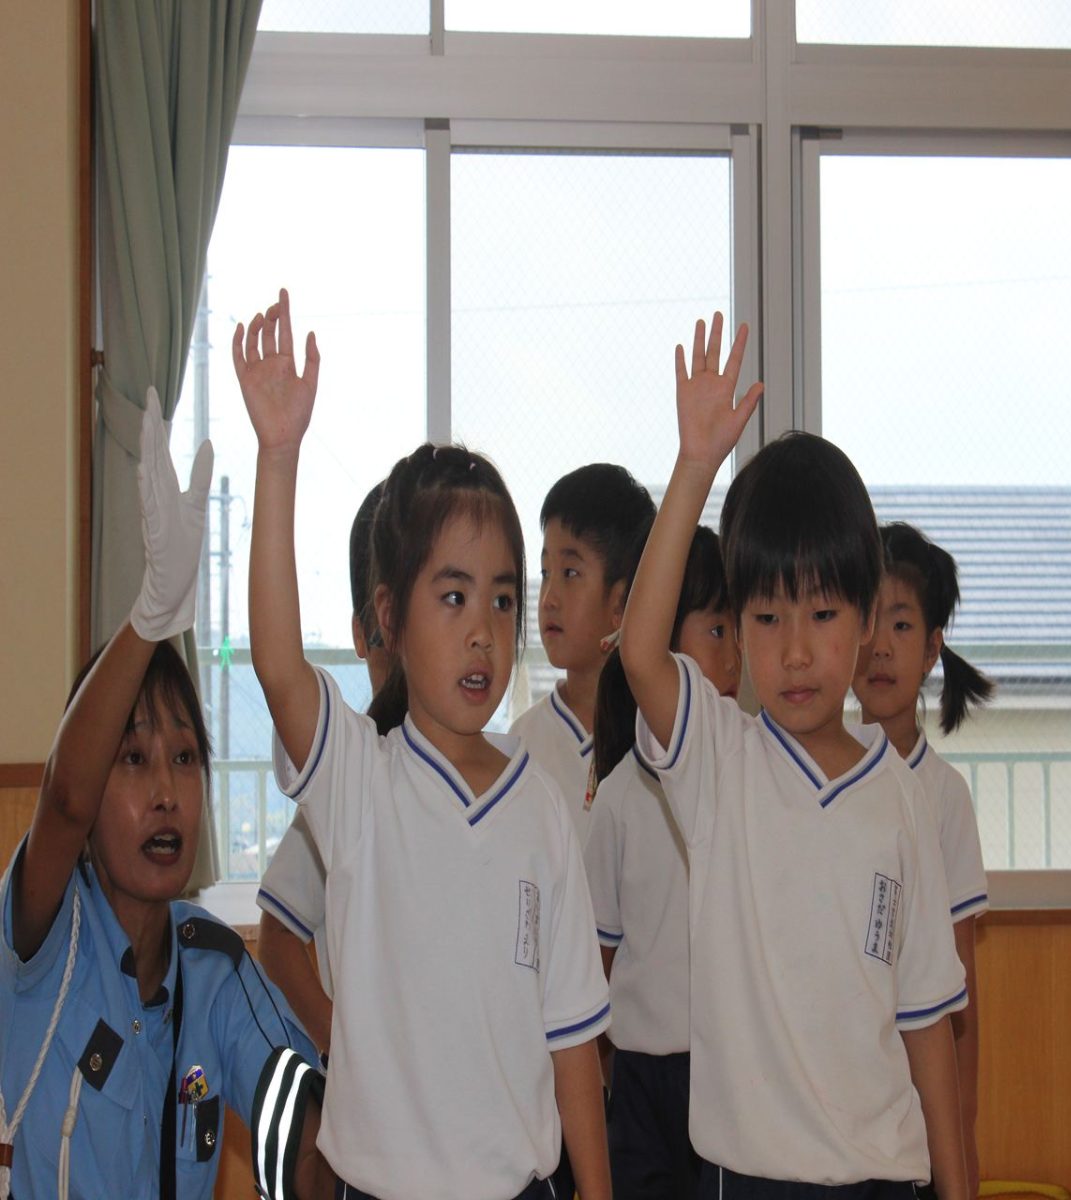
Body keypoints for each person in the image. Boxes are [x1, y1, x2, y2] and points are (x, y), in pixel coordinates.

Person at [233, 289, 612, 1200]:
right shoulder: (361, 783)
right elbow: (279, 666)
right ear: (388, 616)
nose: (483, 629)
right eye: (452, 596)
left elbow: (573, 1046)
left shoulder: (542, 807)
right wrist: (278, 458)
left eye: (502, 598)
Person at [620, 314, 969, 1200]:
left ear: (868, 617)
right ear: (738, 630)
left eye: (822, 615)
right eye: (768, 619)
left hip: (885, 1176)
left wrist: (960, 1187)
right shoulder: (719, 762)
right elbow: (641, 653)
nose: (797, 651)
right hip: (748, 1177)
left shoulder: (904, 800)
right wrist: (694, 466)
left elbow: (928, 1025)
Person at [0, 393, 326, 1200]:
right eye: (133, 759)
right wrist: (151, 615)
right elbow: (62, 801)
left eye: (185, 758)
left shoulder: (215, 968)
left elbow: (300, 1121)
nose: (166, 792)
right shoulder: (46, 942)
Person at [585, 525, 739, 1200]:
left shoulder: (749, 780)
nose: (735, 653)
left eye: (740, 630)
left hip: (731, 1073)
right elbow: (598, 962)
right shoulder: (619, 798)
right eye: (717, 630)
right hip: (642, 1081)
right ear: (660, 641)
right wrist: (603, 1076)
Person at [852, 521, 995, 1200]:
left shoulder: (944, 797)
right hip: (837, 1109)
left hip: (913, 1121)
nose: (880, 646)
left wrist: (959, 1139)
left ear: (933, 648)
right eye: (869, 621)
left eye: (902, 625)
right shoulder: (813, 778)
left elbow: (960, 996)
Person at [256, 480, 387, 1055]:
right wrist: (345, 1045)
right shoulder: (346, 774)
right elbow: (278, 937)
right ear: (364, 631)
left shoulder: (509, 774)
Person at [512, 463, 656, 839]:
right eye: (545, 572)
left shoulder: (658, 732)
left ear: (622, 602)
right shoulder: (523, 742)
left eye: (570, 573)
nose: (548, 598)